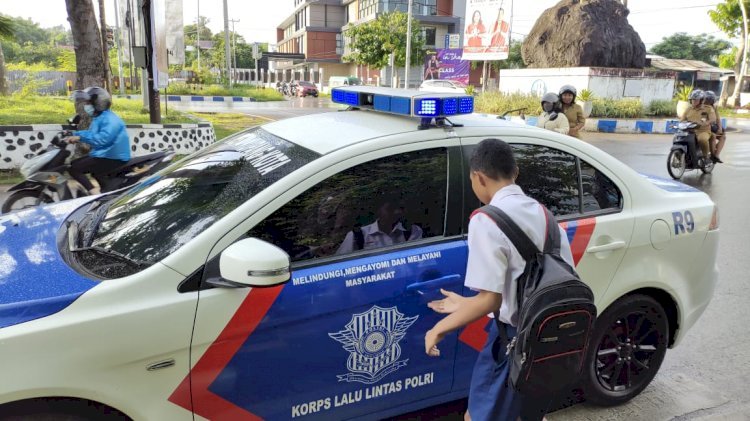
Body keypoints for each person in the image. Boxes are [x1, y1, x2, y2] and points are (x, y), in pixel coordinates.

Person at [424, 138, 574, 421]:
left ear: (478, 178)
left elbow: (490, 299)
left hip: (513, 342)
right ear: (515, 172)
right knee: (529, 414)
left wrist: (439, 329)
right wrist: (468, 303)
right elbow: (536, 281)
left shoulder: (485, 220)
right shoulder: (543, 213)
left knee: (477, 416)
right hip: (550, 339)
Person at [65, 86, 131, 195]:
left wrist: (80, 137)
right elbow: (93, 135)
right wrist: (75, 134)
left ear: (98, 103)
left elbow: (102, 139)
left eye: (88, 103)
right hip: (105, 154)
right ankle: (105, 191)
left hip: (113, 156)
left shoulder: (110, 119)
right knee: (74, 163)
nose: (86, 106)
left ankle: (93, 193)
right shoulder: (100, 117)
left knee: (75, 169)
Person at [336, 193, 423, 254]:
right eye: (390, 208)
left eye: (400, 208)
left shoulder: (412, 231)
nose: (397, 212)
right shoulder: (357, 236)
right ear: (378, 210)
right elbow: (339, 268)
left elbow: (422, 265)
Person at [682, 89, 716, 161]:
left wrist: (706, 123)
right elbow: (682, 120)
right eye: (692, 100)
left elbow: (713, 119)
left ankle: (706, 157)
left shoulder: (708, 108)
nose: (693, 101)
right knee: (678, 138)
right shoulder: (688, 109)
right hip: (689, 131)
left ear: (701, 100)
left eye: (695, 100)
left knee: (702, 140)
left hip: (703, 131)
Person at [703, 90, 725, 163]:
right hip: (704, 127)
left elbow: (718, 118)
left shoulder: (714, 107)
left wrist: (720, 128)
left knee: (723, 136)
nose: (708, 101)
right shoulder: (700, 106)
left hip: (711, 126)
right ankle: (713, 155)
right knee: (713, 136)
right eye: (707, 99)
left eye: (710, 100)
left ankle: (716, 155)